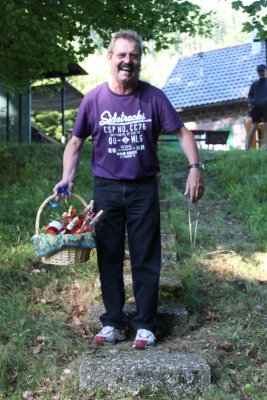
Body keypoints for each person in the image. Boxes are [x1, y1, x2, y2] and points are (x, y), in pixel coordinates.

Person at [53, 29, 204, 350]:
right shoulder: (94, 99)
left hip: (142, 189)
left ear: (139, 61)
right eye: (121, 55)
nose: (127, 61)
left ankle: (146, 325)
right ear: (109, 58)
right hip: (105, 190)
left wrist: (195, 168)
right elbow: (76, 142)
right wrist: (67, 177)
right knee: (108, 257)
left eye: (133, 55)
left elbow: (183, 133)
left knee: (145, 257)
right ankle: (113, 322)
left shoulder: (153, 97)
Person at [247, 64, 267, 149]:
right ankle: (247, 147)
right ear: (257, 72)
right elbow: (250, 95)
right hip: (256, 108)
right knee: (254, 126)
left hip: (266, 108)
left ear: (265, 71)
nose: (261, 72)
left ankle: (265, 146)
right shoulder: (254, 84)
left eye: (262, 70)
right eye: (259, 71)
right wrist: (253, 102)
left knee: (266, 126)